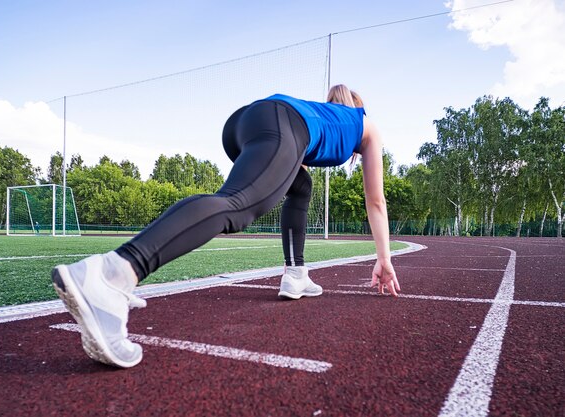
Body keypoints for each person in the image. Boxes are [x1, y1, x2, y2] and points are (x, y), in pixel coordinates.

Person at [52, 84, 400, 368]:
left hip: (244, 123)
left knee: (300, 186)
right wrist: (384, 258)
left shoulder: (324, 114)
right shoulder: (366, 125)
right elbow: (376, 202)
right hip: (282, 123)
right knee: (239, 205)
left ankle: (296, 274)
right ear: (360, 107)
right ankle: (112, 273)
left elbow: (296, 156)